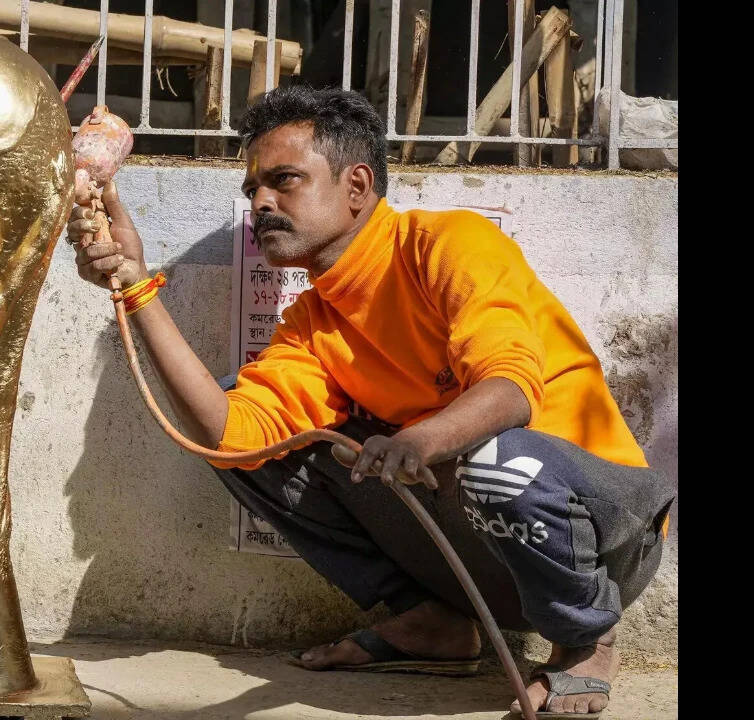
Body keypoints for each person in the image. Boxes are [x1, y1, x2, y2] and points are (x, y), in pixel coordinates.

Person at [66, 85, 674, 718]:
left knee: (496, 457)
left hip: (602, 536)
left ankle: (584, 638)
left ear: (356, 186)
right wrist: (137, 286)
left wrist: (418, 440)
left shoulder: (447, 245)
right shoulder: (310, 322)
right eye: (252, 191)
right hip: (481, 554)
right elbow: (229, 435)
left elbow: (511, 390)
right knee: (261, 440)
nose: (262, 204)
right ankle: (431, 622)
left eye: (284, 181)